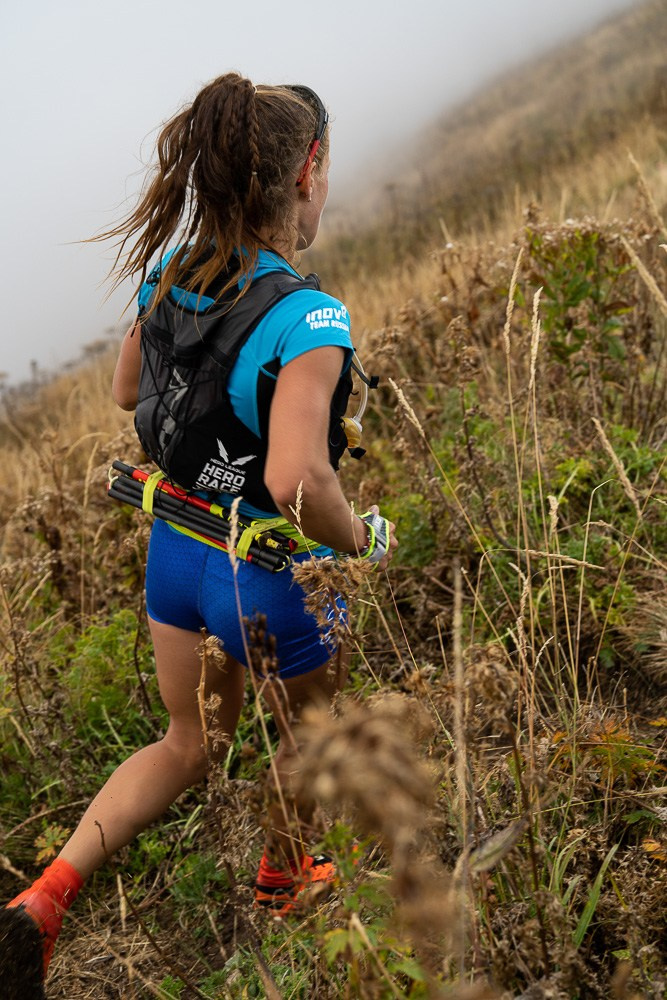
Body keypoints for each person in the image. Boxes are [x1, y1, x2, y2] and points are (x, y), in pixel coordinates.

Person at [0, 72, 397, 989]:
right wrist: (359, 540)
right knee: (307, 736)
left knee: (187, 742)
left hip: (177, 556)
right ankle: (283, 879)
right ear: (309, 171)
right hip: (271, 575)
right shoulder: (309, 317)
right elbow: (297, 479)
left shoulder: (167, 274)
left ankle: (45, 896)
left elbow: (128, 394)